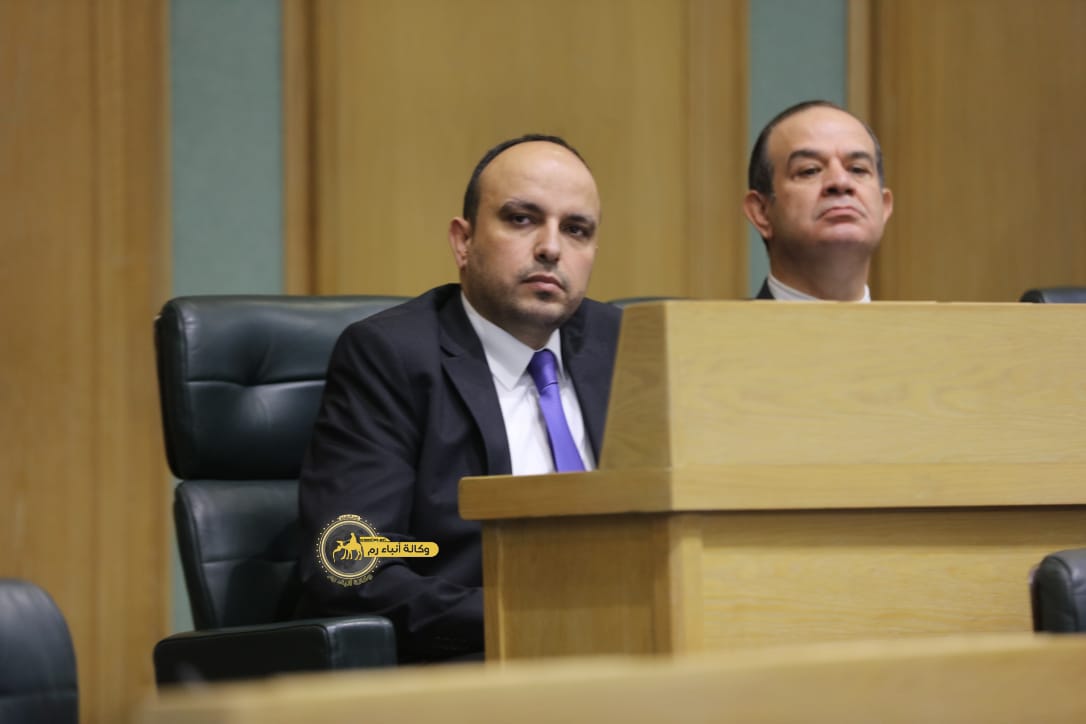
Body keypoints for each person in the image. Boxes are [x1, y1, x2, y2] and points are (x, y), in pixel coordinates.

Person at [296, 134, 622, 663]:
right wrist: (531, 617)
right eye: (521, 219)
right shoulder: (392, 357)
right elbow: (350, 561)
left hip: (633, 658)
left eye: (576, 229)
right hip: (474, 664)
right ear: (463, 241)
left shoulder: (628, 347)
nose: (551, 247)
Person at [743, 100, 894, 301]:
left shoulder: (927, 322)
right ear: (761, 212)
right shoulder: (713, 323)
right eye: (810, 170)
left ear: (884, 207)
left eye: (858, 169)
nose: (841, 182)